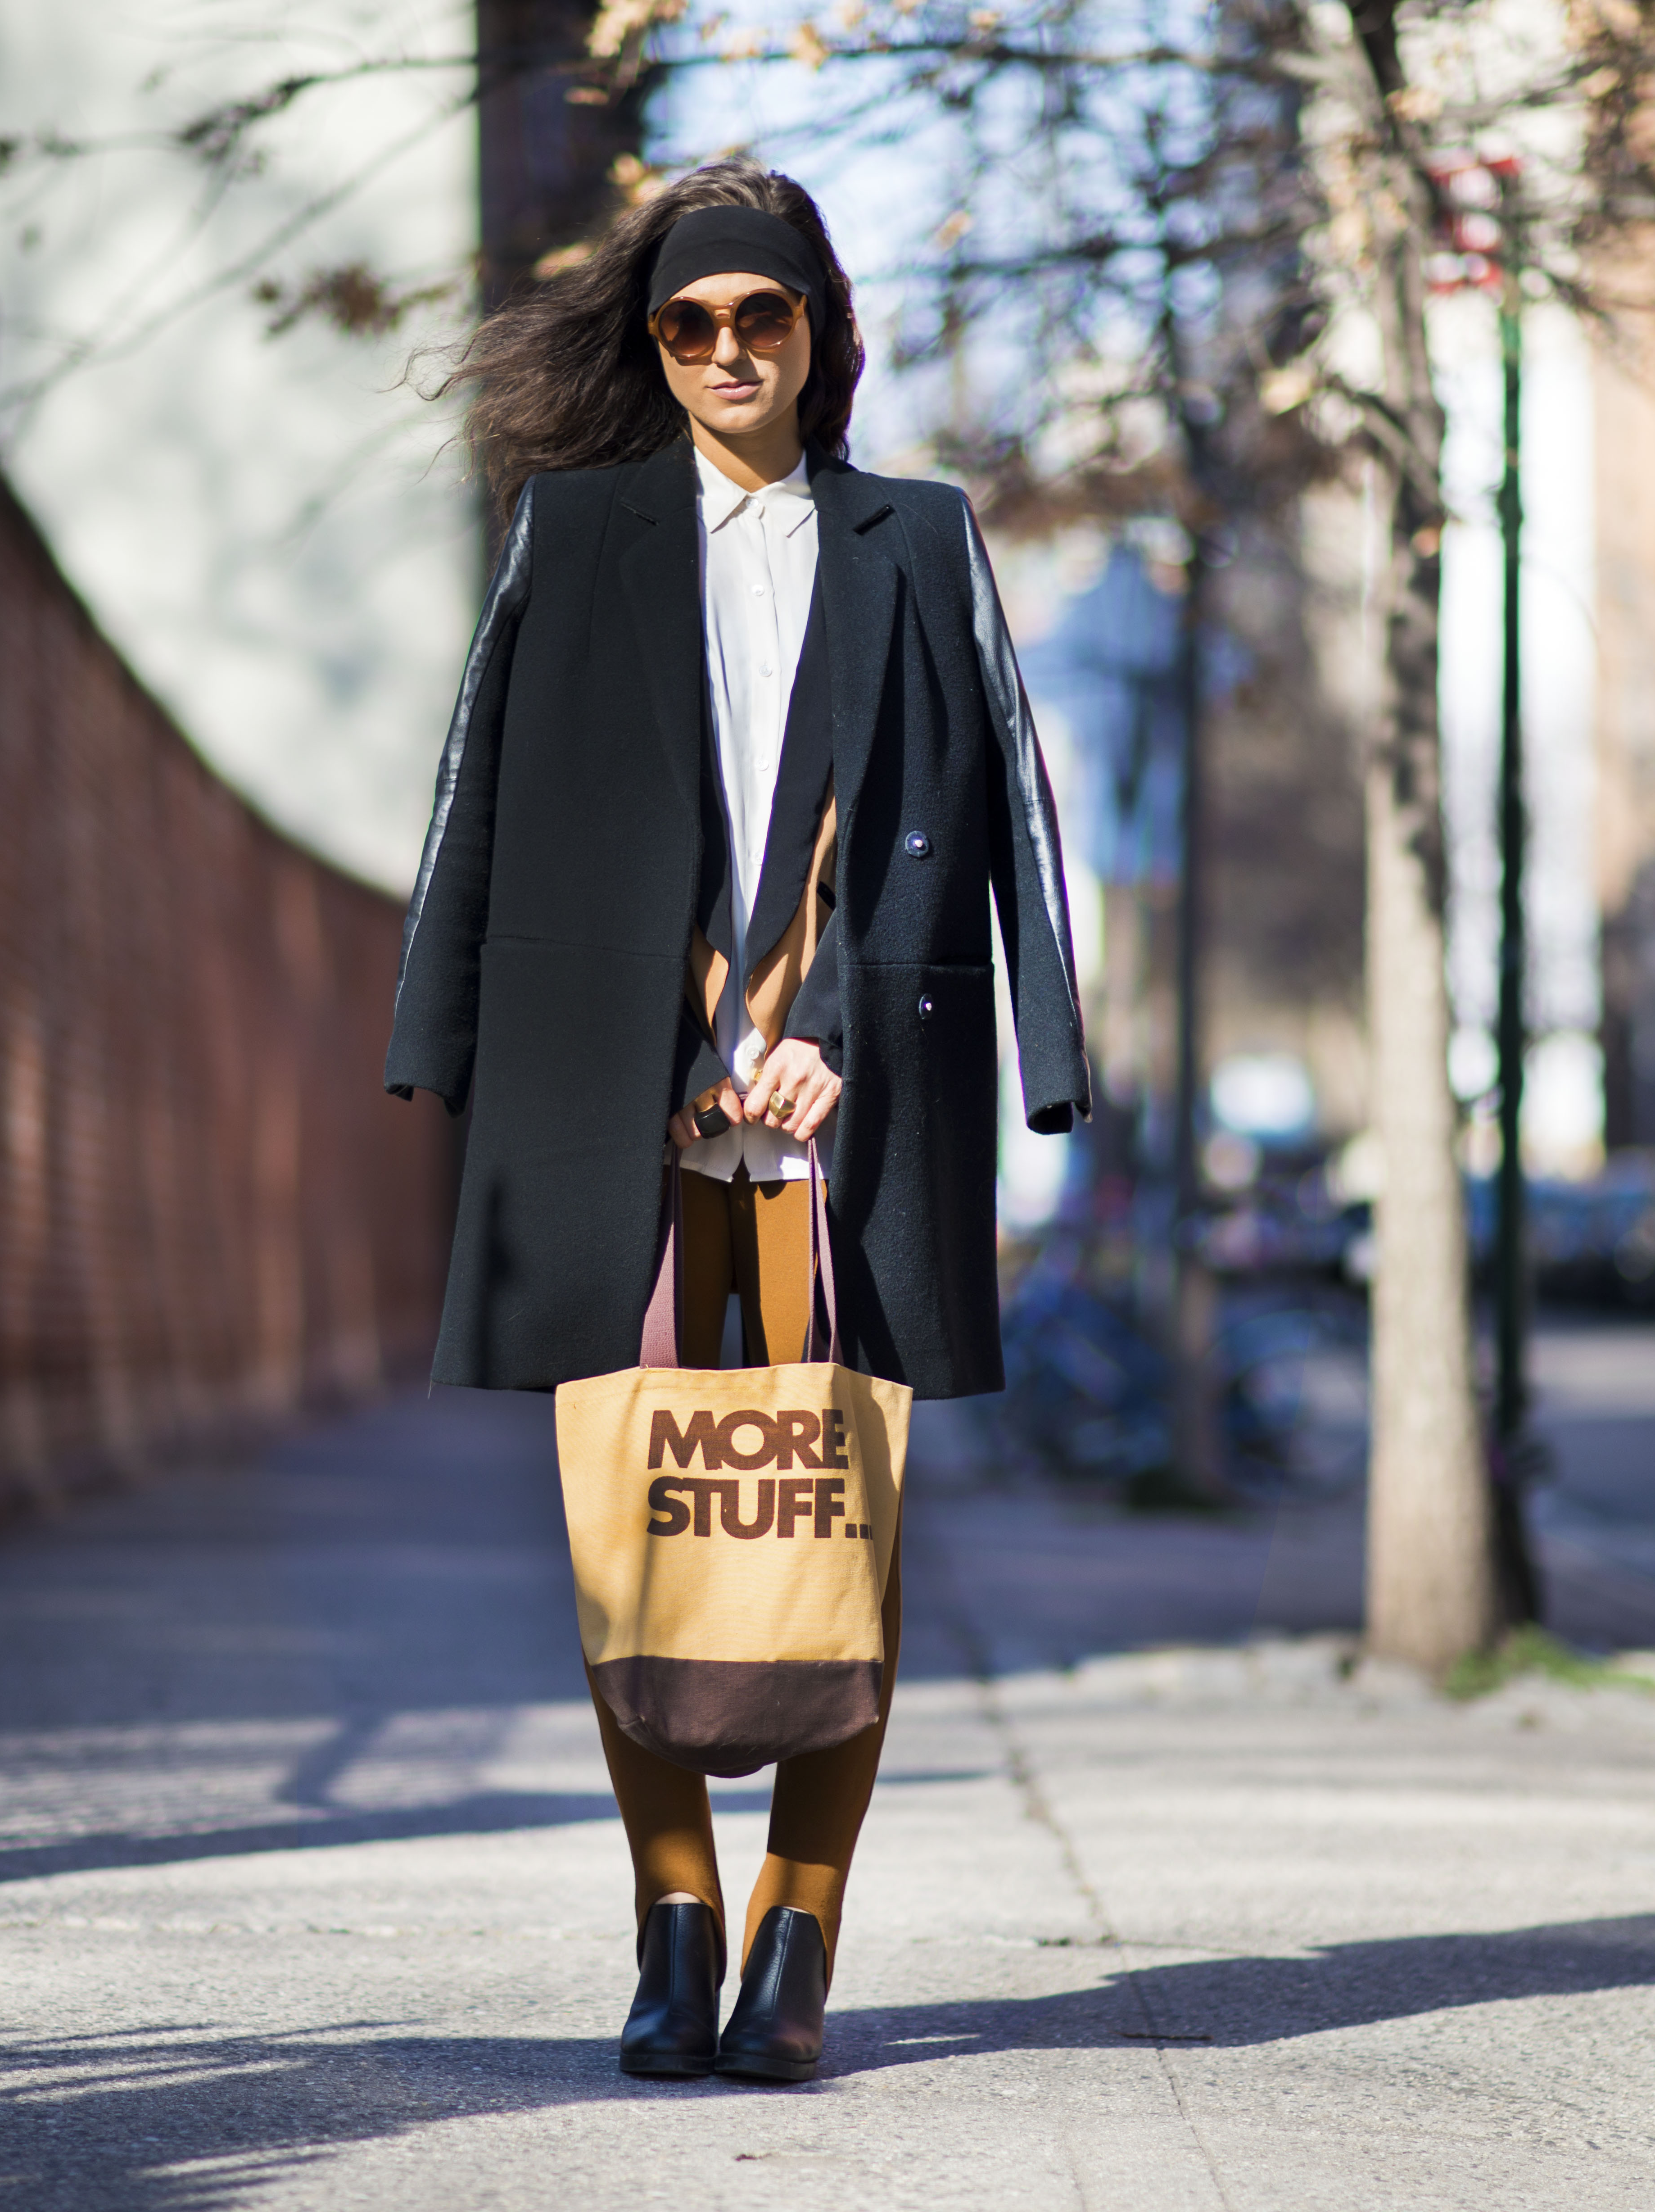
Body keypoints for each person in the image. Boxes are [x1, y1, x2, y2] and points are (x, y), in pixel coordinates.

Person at [386, 160, 1088, 2083]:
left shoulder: (918, 538)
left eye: (757, 315)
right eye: (687, 321)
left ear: (817, 332)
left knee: (830, 1526)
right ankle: (672, 1914)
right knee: (641, 1518)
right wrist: (451, 1034)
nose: (721, 350)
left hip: (844, 1110)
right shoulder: (575, 532)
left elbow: (998, 806)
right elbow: (486, 786)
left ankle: (801, 1936)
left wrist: (885, 1035)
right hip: (628, 1099)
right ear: (654, 339)